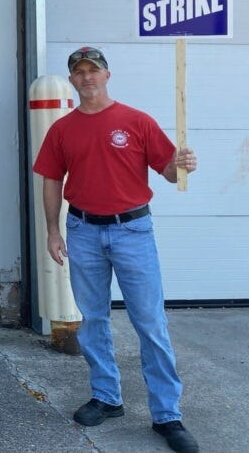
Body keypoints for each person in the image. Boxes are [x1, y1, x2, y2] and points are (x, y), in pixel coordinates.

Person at [33, 46, 199, 453]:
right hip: (84, 231)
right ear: (71, 80)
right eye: (80, 72)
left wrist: (183, 165)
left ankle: (167, 414)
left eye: (94, 70)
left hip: (133, 230)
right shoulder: (62, 129)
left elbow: (167, 169)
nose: (87, 77)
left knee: (150, 322)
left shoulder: (136, 121)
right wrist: (53, 231)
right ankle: (107, 397)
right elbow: (52, 180)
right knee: (93, 320)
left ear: (108, 75)